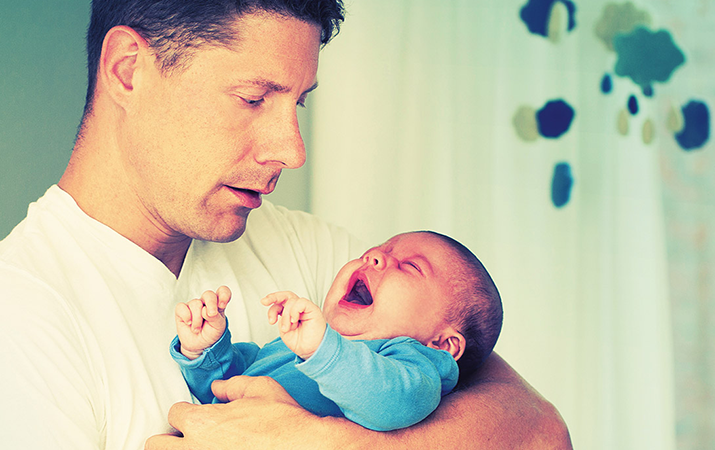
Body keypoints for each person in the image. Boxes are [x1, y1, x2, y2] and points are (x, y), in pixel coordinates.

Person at [0, 1, 572, 449]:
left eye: (297, 104)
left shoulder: (319, 256)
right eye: (253, 99)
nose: (293, 151)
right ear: (129, 71)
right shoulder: (23, 316)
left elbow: (540, 432)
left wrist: (324, 444)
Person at [171, 231, 503, 431]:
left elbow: (390, 403)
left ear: (444, 343)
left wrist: (324, 351)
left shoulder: (412, 366)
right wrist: (208, 351)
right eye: (377, 251)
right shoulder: (296, 345)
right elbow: (226, 386)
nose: (373, 257)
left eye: (410, 266)